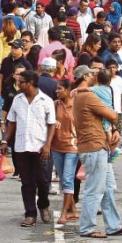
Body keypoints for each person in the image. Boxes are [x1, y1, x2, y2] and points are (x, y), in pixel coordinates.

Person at [73, 65, 122, 238]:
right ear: (85, 76)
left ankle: (113, 225)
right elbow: (113, 114)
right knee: (95, 189)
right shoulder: (88, 96)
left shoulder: (84, 94)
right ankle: (87, 227)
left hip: (97, 145)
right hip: (94, 146)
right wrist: (113, 125)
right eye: (91, 73)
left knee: (108, 187)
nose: (94, 75)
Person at [0, 71, 56, 227]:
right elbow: (12, 122)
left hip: (40, 147)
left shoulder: (46, 101)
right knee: (27, 182)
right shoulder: (17, 100)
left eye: (21, 82)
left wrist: (47, 145)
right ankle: (30, 214)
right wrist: (5, 140)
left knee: (43, 181)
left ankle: (43, 204)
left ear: (31, 83)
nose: (18, 85)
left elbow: (51, 125)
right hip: (21, 147)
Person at [47, 79, 79, 224]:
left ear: (68, 89)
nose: (57, 91)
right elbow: (47, 121)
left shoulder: (76, 105)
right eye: (57, 89)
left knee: (67, 179)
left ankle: (64, 212)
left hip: (72, 147)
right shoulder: (55, 105)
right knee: (63, 180)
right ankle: (73, 209)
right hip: (57, 146)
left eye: (60, 89)